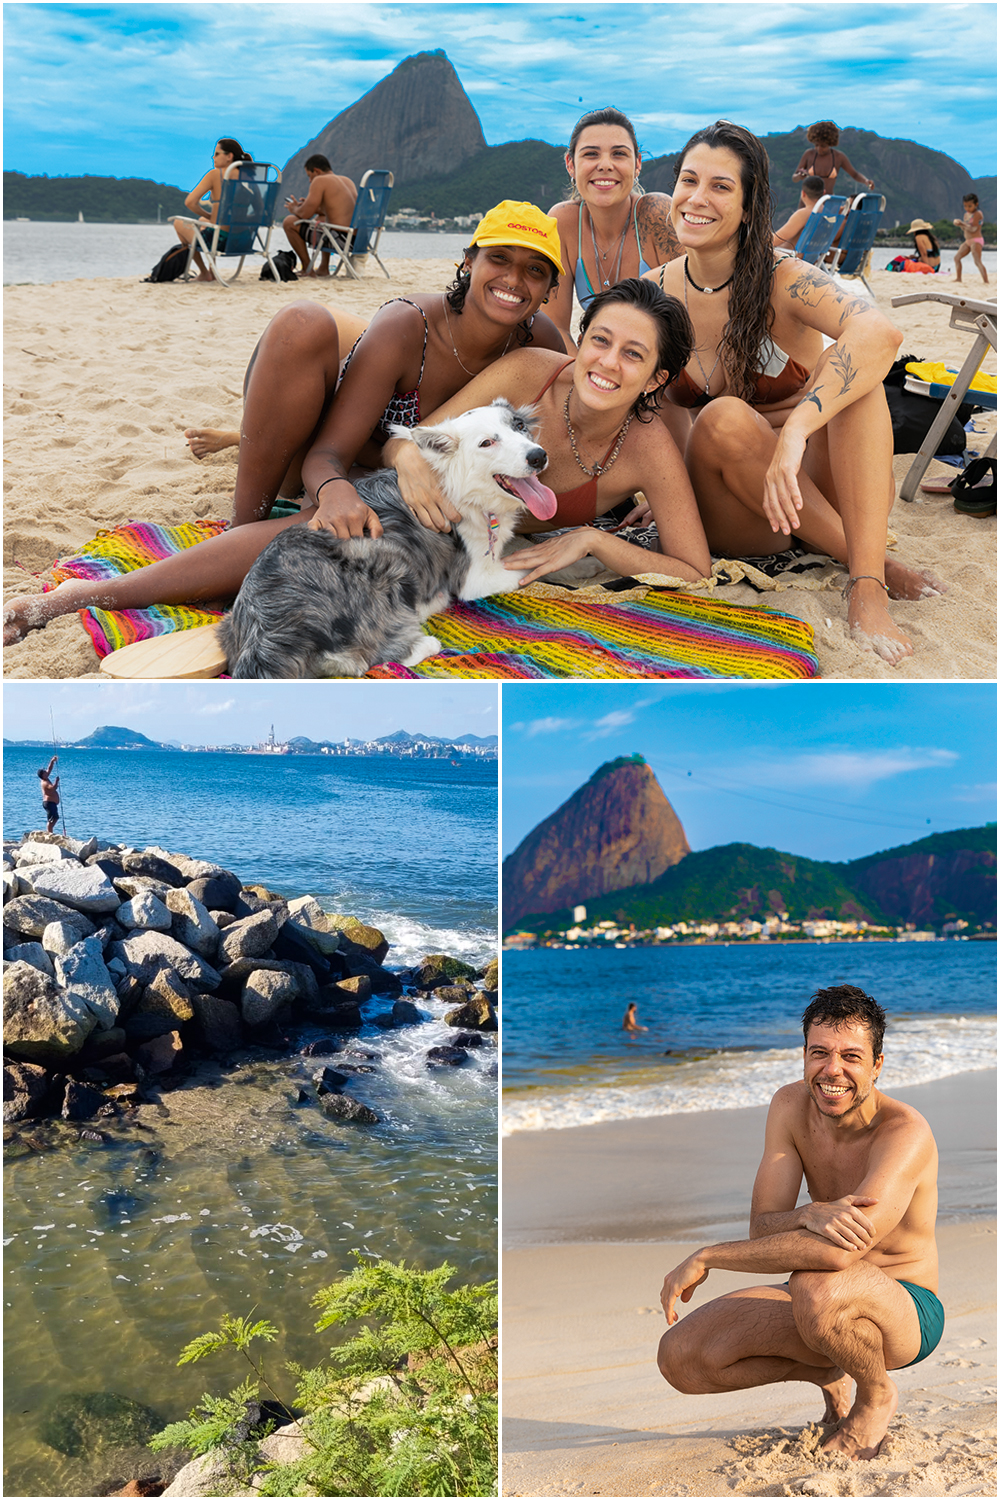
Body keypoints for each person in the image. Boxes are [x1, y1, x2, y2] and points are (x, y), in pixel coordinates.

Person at [3, 203, 571, 645]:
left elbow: (572, 430)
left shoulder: (539, 344)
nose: (515, 279)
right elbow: (328, 453)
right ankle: (92, 593)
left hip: (401, 488)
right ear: (468, 262)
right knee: (301, 337)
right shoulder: (408, 326)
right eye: (500, 258)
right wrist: (335, 490)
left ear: (550, 289)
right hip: (323, 450)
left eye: (535, 270)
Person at [643, 120, 943, 667]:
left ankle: (867, 586)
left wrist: (797, 431)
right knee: (726, 417)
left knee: (856, 373)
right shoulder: (655, 291)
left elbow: (881, 333)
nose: (697, 198)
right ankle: (866, 558)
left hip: (810, 483)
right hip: (739, 505)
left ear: (750, 204)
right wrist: (654, 484)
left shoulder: (784, 277)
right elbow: (653, 405)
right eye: (689, 180)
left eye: (720, 186)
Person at [658, 985, 941, 1462]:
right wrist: (807, 1213)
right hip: (818, 1304)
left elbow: (837, 1254)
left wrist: (709, 1256)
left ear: (877, 1065)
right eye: (820, 1053)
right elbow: (764, 1227)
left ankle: (876, 1396)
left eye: (852, 1056)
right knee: (681, 1358)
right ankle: (829, 1372)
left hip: (906, 1308)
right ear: (803, 1056)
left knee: (815, 1281)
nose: (833, 1070)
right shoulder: (790, 1107)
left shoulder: (904, 1133)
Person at [380, 277, 711, 588]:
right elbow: (409, 441)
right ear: (581, 341)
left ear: (655, 380)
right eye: (601, 340)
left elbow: (694, 571)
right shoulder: (528, 373)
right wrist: (406, 453)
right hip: (415, 532)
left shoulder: (649, 449)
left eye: (633, 354)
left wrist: (593, 539)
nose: (609, 362)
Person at [545, 107, 682, 353]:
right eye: (591, 154)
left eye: (619, 154)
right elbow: (555, 329)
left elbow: (692, 318)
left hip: (664, 364)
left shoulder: (656, 215)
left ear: (637, 163)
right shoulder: (563, 222)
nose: (605, 165)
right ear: (570, 164)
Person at [171, 137, 253, 283]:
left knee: (178, 222)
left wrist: (209, 214)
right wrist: (211, 217)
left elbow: (190, 202)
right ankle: (211, 270)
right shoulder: (250, 177)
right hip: (244, 240)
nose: (213, 157)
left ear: (229, 156)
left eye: (216, 154)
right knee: (203, 221)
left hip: (222, 241)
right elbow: (260, 212)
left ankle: (204, 272)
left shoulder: (216, 174)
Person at [282, 154, 357, 277]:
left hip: (341, 240)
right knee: (321, 218)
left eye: (309, 176)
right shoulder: (347, 180)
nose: (310, 180)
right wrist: (310, 206)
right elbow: (335, 211)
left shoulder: (320, 180)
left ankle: (307, 268)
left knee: (289, 222)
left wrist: (294, 208)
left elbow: (305, 215)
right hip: (357, 241)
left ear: (316, 171)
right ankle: (323, 267)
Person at [792, 122, 874, 197]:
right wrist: (799, 176)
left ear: (830, 143)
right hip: (808, 202)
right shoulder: (809, 155)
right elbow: (794, 178)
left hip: (828, 201)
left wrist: (866, 181)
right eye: (816, 145)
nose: (819, 149)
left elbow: (854, 174)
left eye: (823, 146)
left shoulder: (839, 157)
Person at [773, 176, 827, 252]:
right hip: (811, 257)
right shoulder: (827, 213)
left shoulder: (803, 214)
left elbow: (775, 240)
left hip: (790, 257)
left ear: (803, 193)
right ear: (823, 193)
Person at [952, 194, 989, 284]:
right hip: (968, 240)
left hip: (976, 240)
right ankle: (958, 278)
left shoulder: (978, 214)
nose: (967, 208)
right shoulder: (966, 215)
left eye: (969, 206)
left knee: (977, 261)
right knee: (957, 258)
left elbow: (974, 229)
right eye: (965, 206)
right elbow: (965, 228)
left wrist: (962, 224)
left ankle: (986, 281)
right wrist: (959, 224)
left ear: (976, 204)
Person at [37, 757, 60, 833]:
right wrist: (56, 782)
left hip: (52, 803)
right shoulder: (45, 782)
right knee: (51, 820)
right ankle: (49, 833)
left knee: (56, 817)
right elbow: (53, 788)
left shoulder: (46, 777)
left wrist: (52, 761)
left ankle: (50, 832)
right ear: (43, 775)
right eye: (44, 772)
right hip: (48, 803)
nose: (46, 772)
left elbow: (49, 769)